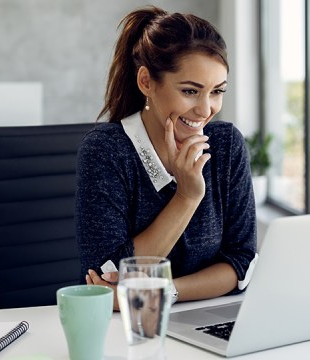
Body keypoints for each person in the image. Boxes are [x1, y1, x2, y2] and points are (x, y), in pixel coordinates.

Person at [76, 6, 257, 308]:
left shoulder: (226, 146)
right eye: (190, 91)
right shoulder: (106, 151)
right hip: (127, 330)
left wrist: (161, 292)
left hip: (202, 316)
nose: (206, 109)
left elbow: (241, 263)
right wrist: (186, 197)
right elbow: (108, 276)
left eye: (217, 91)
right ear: (146, 82)